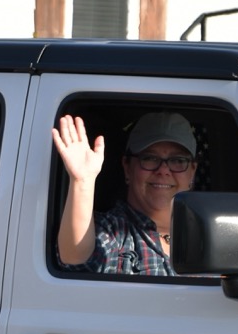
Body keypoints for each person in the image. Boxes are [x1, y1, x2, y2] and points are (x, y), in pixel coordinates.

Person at [53, 111, 198, 275]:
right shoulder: (112, 230)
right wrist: (82, 181)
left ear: (192, 171)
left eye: (178, 161)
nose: (163, 170)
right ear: (127, 168)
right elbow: (76, 259)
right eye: (150, 158)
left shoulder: (207, 233)